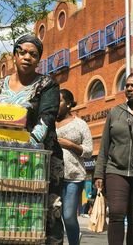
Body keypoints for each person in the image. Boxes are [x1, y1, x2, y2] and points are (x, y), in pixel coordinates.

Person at [0, 34, 64, 244]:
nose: (27, 57)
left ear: (38, 60)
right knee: (8, 210)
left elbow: (47, 118)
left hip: (42, 159)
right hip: (5, 158)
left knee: (46, 213)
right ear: (15, 55)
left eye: (33, 54)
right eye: (22, 52)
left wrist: (27, 146)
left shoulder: (47, 84)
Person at [94, 71, 133, 245]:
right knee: (116, 213)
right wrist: (99, 173)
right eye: (126, 85)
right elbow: (105, 144)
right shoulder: (116, 112)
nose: (128, 88)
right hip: (116, 170)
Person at [56, 89, 93, 245]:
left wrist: (70, 144)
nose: (55, 104)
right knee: (53, 216)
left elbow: (89, 151)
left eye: (59, 101)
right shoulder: (48, 122)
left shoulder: (80, 124)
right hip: (52, 177)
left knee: (69, 216)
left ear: (69, 104)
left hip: (73, 177)